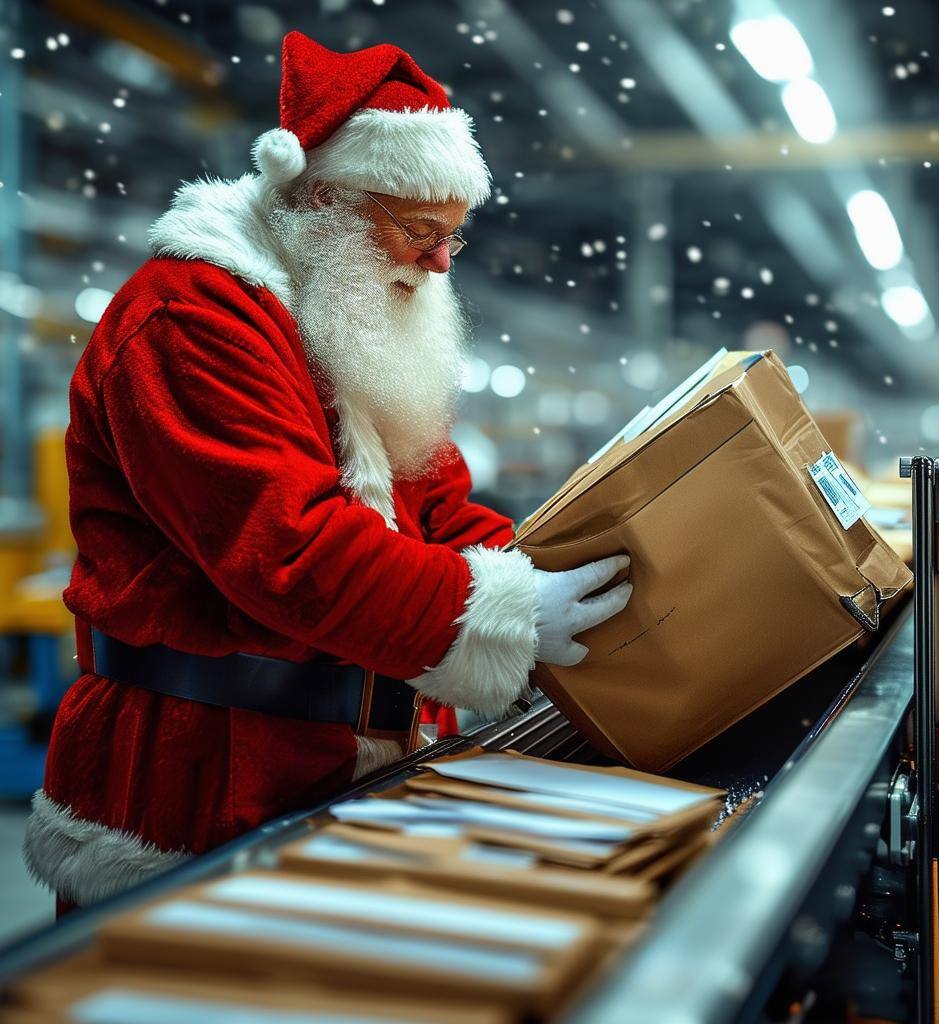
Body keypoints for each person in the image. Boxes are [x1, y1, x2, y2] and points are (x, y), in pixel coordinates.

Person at [23, 32, 632, 911]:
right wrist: (499, 613)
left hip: (344, 763)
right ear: (321, 197)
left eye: (453, 236)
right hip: (200, 779)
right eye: (419, 231)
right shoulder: (190, 318)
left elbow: (439, 506)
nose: (439, 264)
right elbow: (290, 550)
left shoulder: (343, 317)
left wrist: (545, 576)